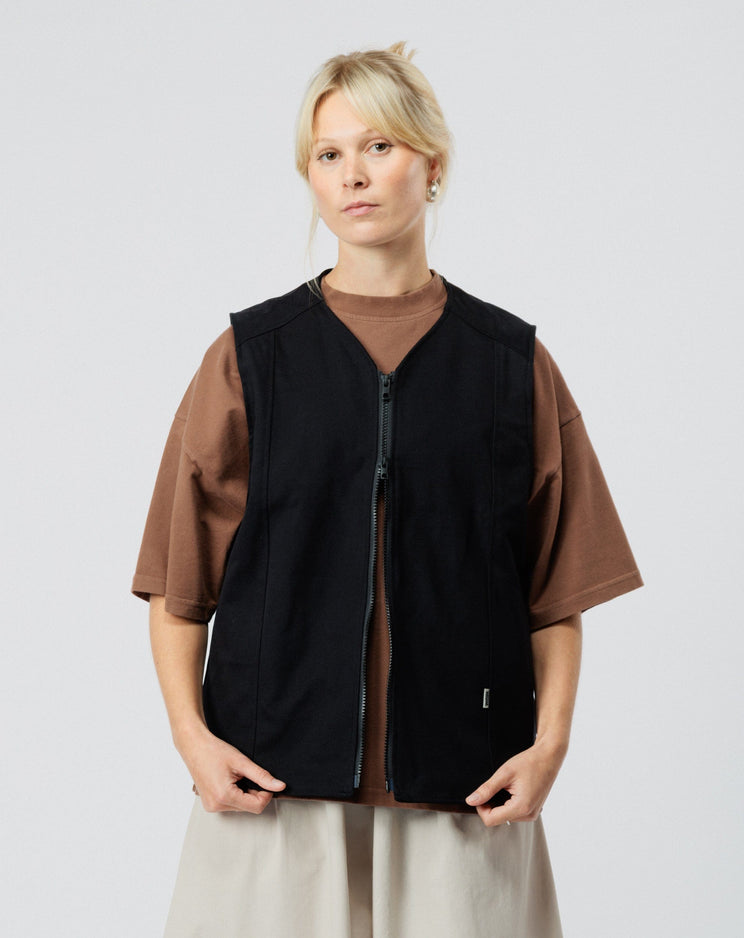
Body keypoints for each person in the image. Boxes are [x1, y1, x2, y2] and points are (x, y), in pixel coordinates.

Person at [132, 41, 643, 938]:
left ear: (432, 164)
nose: (353, 175)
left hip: (465, 790)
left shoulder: (509, 364)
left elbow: (556, 593)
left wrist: (549, 745)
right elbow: (180, 587)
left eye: (379, 146)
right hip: (273, 786)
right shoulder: (252, 359)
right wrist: (193, 741)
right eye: (328, 154)